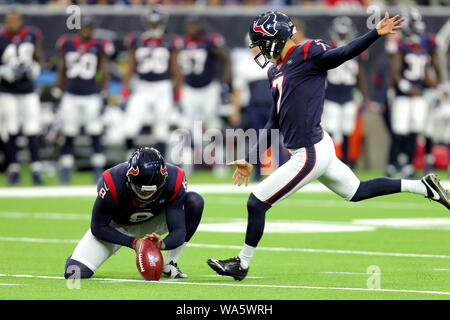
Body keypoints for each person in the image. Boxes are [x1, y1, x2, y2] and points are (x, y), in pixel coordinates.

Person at [207, 11, 449, 281]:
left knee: (257, 202)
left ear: (276, 38)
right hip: (316, 147)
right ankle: (423, 187)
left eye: (261, 42)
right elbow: (272, 122)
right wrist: (251, 157)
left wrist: (374, 34)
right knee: (357, 190)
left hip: (309, 151)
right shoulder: (275, 70)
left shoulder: (307, 51)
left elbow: (341, 54)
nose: (258, 49)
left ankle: (242, 263)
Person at [64, 147, 204, 279]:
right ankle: (78, 255)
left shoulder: (175, 179)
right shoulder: (112, 181)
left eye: (152, 190)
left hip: (154, 221)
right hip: (117, 226)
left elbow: (178, 230)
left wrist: (163, 244)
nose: (147, 194)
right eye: (142, 190)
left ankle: (169, 264)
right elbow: (98, 226)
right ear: (129, 178)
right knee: (74, 272)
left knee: (194, 202)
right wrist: (134, 242)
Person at [54, 17, 115, 183]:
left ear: (93, 29)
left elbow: (104, 70)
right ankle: (66, 171)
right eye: (84, 27)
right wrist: (57, 90)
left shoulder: (99, 46)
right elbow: (62, 68)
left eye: (89, 27)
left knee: (95, 132)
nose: (86, 30)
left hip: (91, 95)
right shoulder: (67, 43)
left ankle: (98, 170)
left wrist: (104, 92)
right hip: (71, 95)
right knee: (68, 132)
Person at [122, 7, 182, 158]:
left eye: (157, 23)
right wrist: (125, 87)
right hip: (142, 86)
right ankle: (130, 160)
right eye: (151, 23)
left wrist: (179, 92)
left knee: (161, 129)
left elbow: (175, 68)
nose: (154, 26)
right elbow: (130, 66)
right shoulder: (136, 41)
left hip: (163, 86)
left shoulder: (170, 41)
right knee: (130, 127)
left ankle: (160, 164)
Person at [386, 8, 436, 178]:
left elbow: (426, 72)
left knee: (415, 130)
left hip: (419, 94)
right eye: (415, 28)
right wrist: (407, 87)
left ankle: (408, 163)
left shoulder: (424, 46)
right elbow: (394, 72)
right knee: (399, 131)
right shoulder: (400, 45)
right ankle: (393, 163)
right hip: (403, 94)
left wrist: (437, 86)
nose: (418, 32)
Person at [177, 16, 231, 175]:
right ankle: (186, 164)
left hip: (209, 88)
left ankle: (220, 163)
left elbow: (226, 59)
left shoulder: (210, 41)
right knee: (186, 126)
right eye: (189, 25)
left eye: (194, 25)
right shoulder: (181, 43)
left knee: (213, 125)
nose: (191, 28)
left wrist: (224, 82)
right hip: (189, 89)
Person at [0, 10, 44, 185]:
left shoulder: (31, 35)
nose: (12, 23)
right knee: (10, 129)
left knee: (32, 130)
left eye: (15, 20)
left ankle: (36, 169)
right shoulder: (2, 37)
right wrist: (4, 72)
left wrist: (35, 67)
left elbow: (39, 58)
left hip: (28, 91)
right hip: (7, 91)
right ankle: (13, 168)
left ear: (20, 21)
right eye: (9, 20)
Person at [322, 16, 369, 166]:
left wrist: (363, 95)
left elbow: (360, 74)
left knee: (347, 130)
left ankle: (347, 162)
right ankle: (329, 161)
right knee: (331, 129)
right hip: (331, 94)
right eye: (340, 33)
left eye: (344, 33)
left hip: (349, 94)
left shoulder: (356, 51)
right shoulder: (328, 48)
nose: (342, 36)